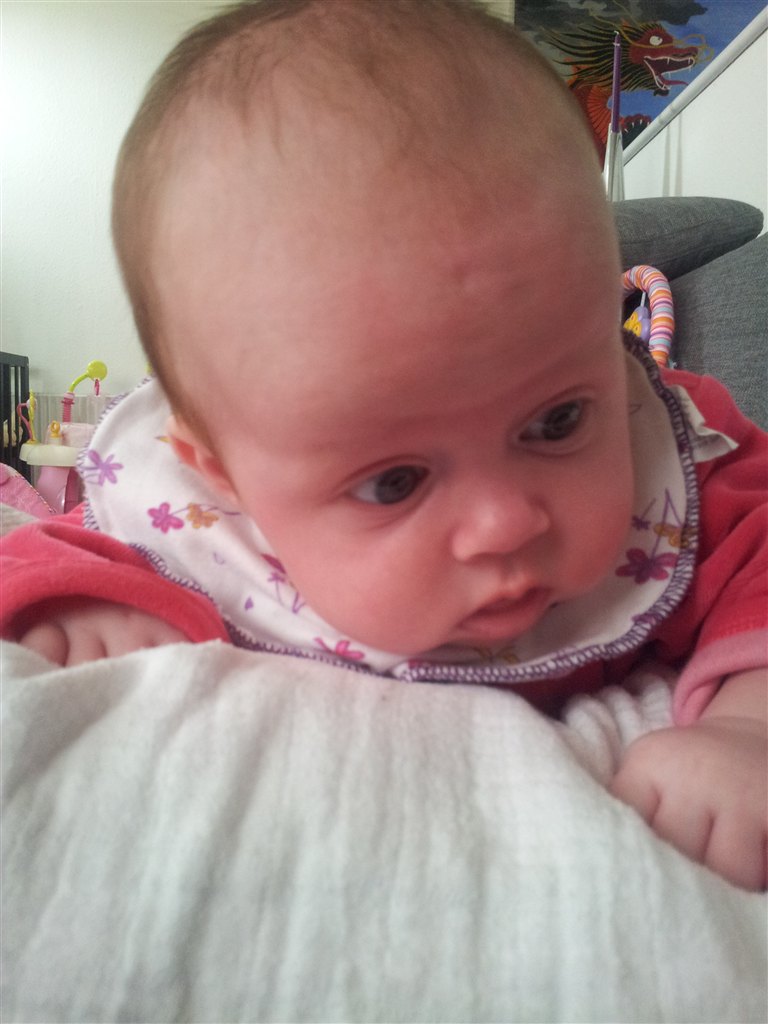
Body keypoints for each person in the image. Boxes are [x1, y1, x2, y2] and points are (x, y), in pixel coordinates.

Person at [1, 0, 765, 891]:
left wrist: (748, 726)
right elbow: (40, 559)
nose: (506, 523)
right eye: (394, 481)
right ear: (224, 476)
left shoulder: (683, 464)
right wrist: (80, 608)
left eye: (558, 421)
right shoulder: (188, 525)